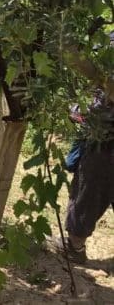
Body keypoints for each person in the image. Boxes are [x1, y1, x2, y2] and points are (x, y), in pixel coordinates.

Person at [48, 32, 114, 264]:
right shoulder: (108, 37)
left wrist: (73, 54)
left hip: (105, 138)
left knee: (89, 190)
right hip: (98, 130)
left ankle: (74, 247)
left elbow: (105, 82)